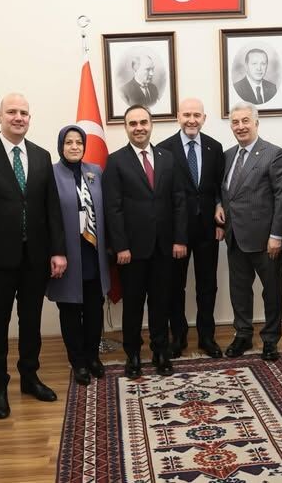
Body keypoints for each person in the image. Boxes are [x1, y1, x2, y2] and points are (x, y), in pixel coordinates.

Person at [0, 93, 67, 419]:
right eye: (12, 112)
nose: (18, 117)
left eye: (24, 112)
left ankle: (30, 378)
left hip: (35, 258)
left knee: (31, 322)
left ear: (29, 118)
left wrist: (58, 250)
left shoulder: (41, 155)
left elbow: (52, 209)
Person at [103, 104, 187, 379]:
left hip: (164, 247)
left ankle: (161, 352)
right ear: (126, 127)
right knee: (133, 305)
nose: (139, 128)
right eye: (133, 123)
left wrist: (179, 239)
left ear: (151, 125)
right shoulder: (116, 161)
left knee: (161, 303)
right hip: (132, 250)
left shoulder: (167, 158)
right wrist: (121, 246)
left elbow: (179, 201)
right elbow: (113, 208)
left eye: (143, 122)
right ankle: (134, 355)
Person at [215, 101, 282, 360]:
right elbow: (221, 190)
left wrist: (276, 236)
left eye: (245, 121)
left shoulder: (274, 154)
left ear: (256, 122)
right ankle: (243, 335)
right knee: (239, 291)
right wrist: (217, 205)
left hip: (266, 239)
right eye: (235, 122)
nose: (240, 126)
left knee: (272, 292)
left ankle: (270, 340)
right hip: (235, 237)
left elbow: (281, 197)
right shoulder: (227, 156)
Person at [157, 98, 225, 359]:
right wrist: (174, 233)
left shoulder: (214, 147)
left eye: (197, 115)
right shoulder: (164, 150)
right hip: (178, 232)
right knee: (175, 286)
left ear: (204, 118)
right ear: (178, 117)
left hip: (208, 229)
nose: (191, 120)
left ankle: (207, 337)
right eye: (187, 115)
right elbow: (163, 195)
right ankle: (179, 336)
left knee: (208, 286)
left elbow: (219, 188)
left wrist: (220, 217)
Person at [46, 125, 110, 385]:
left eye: (79, 142)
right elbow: (48, 217)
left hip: (93, 253)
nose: (74, 146)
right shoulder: (50, 173)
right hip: (67, 255)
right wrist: (55, 251)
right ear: (60, 145)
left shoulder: (95, 171)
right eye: (69, 142)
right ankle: (78, 361)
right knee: (70, 310)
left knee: (94, 310)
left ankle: (93, 356)